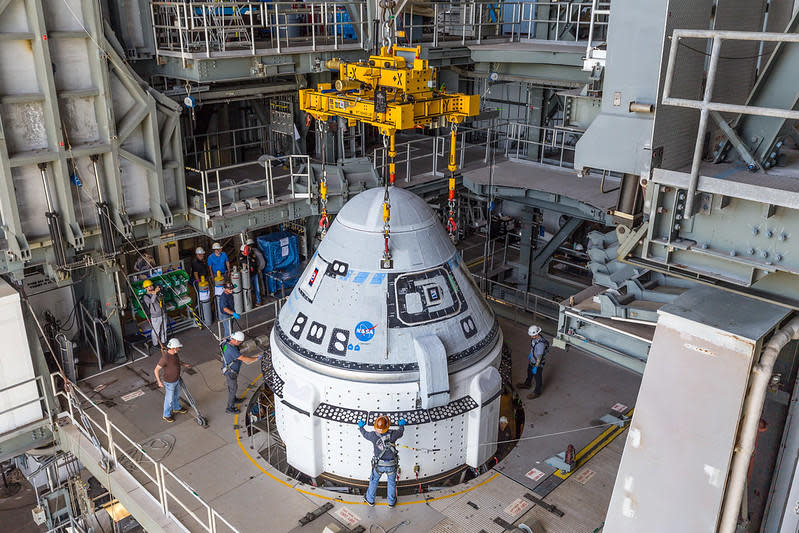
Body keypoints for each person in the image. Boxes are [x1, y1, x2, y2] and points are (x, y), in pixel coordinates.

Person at [357, 415, 406, 507]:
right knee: (391, 483)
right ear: (388, 426)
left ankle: (370, 499)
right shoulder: (393, 434)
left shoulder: (372, 435)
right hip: (391, 465)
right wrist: (401, 425)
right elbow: (401, 432)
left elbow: (364, 434)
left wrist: (361, 427)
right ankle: (391, 502)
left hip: (378, 465)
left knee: (374, 481)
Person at [221, 331, 259, 414]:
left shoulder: (227, 343)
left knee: (233, 388)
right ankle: (229, 408)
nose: (240, 344)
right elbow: (244, 359)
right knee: (233, 389)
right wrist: (256, 358)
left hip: (229, 369)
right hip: (230, 372)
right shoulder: (232, 349)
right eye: (240, 342)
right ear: (236, 341)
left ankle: (234, 399)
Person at [154, 338, 191, 423]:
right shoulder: (165, 358)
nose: (179, 349)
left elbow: (177, 361)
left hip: (176, 379)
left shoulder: (175, 354)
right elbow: (156, 370)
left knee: (176, 395)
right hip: (169, 382)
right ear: (174, 348)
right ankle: (166, 415)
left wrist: (184, 364)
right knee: (169, 399)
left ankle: (176, 408)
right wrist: (159, 382)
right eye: (178, 347)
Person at [517, 325, 549, 399]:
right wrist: (530, 355)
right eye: (531, 335)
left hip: (537, 364)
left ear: (537, 334)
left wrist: (536, 366)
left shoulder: (541, 344)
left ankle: (537, 392)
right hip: (532, 360)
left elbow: (539, 357)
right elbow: (533, 348)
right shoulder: (534, 339)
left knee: (538, 378)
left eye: (533, 335)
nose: (531, 337)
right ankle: (527, 384)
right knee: (529, 372)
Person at [142, 279, 167, 351]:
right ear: (145, 288)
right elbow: (152, 301)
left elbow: (163, 298)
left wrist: (159, 291)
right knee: (156, 330)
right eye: (148, 287)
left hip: (163, 313)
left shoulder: (157, 292)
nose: (150, 287)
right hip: (155, 316)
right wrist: (155, 293)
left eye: (151, 286)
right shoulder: (145, 297)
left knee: (164, 328)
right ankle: (155, 344)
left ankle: (164, 341)